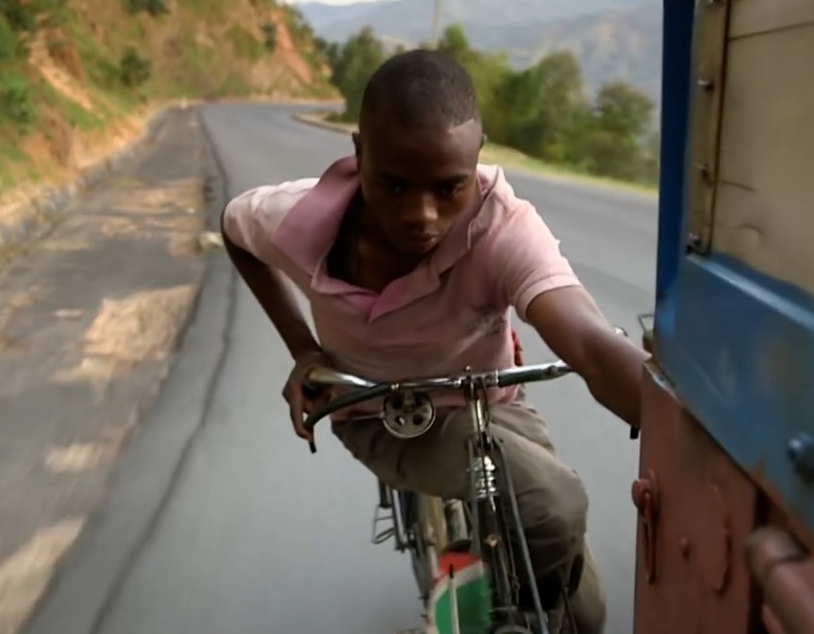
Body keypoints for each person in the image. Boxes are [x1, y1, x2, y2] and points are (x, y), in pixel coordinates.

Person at [219, 49, 648, 633]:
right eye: (394, 186)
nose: (422, 215)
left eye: (450, 188)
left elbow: (588, 338)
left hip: (490, 402)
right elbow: (234, 229)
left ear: (477, 159)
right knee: (552, 504)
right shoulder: (297, 219)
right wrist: (304, 349)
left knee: (582, 607)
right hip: (375, 413)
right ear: (359, 152)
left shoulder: (503, 228)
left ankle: (519, 608)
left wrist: (674, 425)